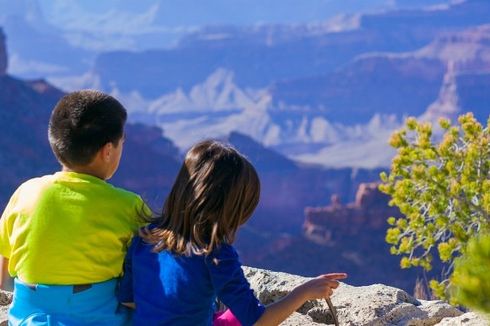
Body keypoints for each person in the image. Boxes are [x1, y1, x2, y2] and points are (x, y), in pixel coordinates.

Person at [118, 140, 347, 325]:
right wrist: (304, 292)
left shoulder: (145, 235)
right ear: (231, 207)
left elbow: (128, 300)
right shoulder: (215, 253)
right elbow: (256, 321)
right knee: (238, 315)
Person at [0, 90, 146, 325]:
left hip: (28, 318)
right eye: (121, 143)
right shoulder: (129, 206)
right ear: (108, 151)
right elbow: (149, 276)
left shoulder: (25, 193)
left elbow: (4, 276)